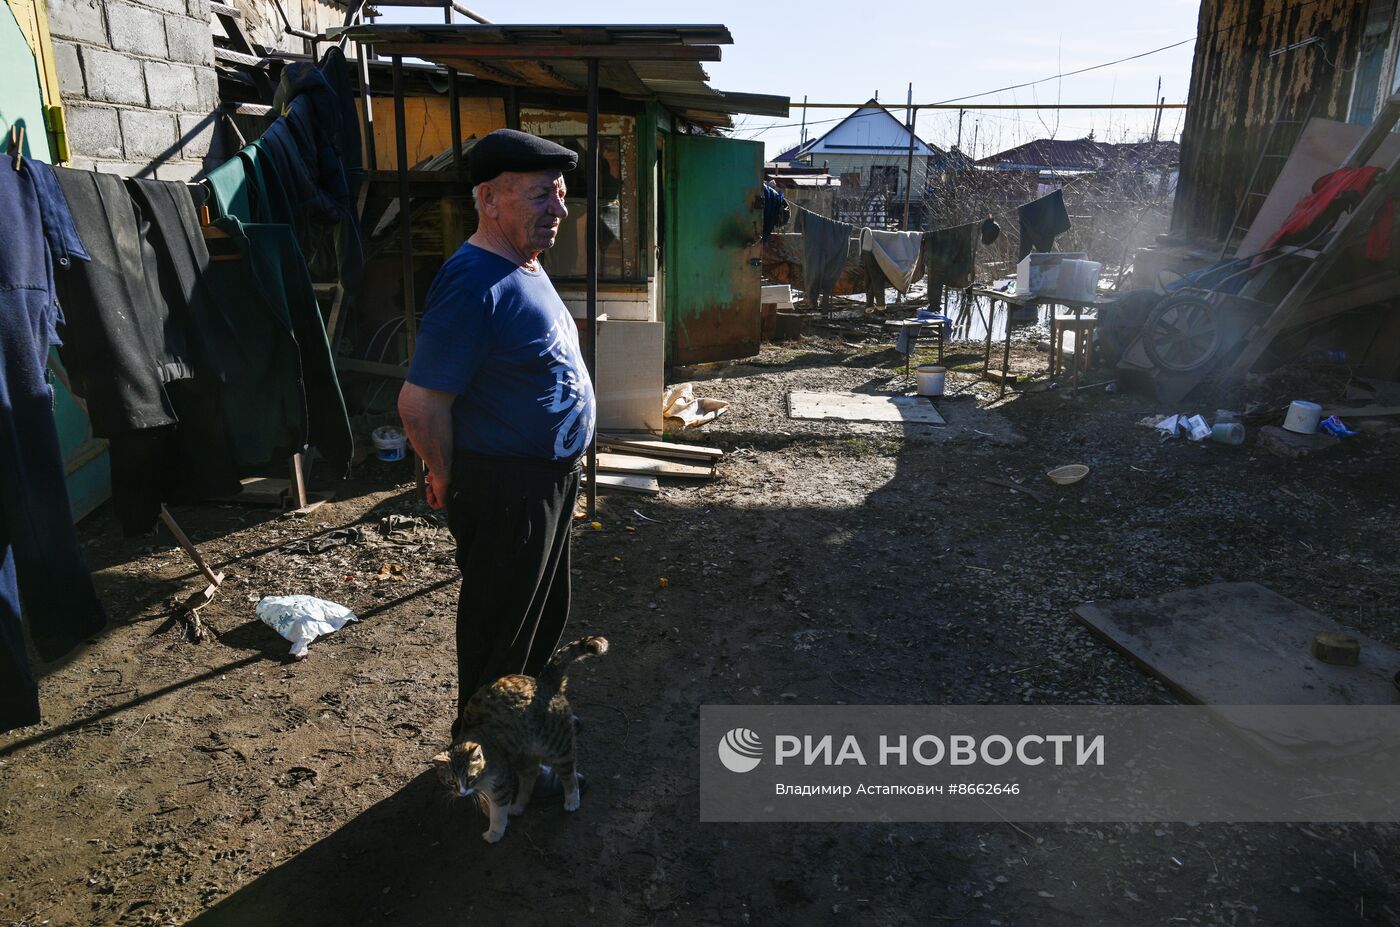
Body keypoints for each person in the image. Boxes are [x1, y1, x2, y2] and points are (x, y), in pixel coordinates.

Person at [397, 129, 596, 744]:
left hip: (545, 482)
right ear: (490, 200)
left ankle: (523, 734)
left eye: (560, 194)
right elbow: (420, 403)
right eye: (541, 196)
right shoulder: (472, 279)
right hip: (506, 488)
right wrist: (446, 474)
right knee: (500, 629)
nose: (559, 210)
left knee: (538, 621)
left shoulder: (521, 265)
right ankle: (484, 753)